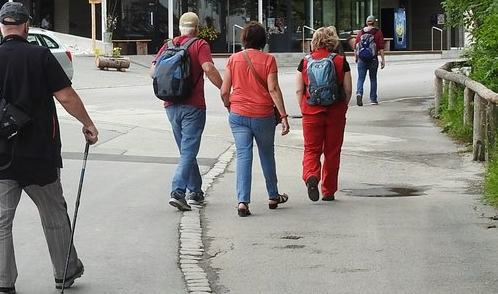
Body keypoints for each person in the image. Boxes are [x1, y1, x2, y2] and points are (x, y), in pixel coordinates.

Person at [0, 2, 98, 294]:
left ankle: (1, 282)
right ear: (27, 27)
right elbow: (65, 96)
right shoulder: (41, 56)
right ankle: (64, 272)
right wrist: (87, 124)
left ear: (0, 27)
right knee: (53, 212)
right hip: (38, 149)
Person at [150, 11, 223, 211]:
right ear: (197, 29)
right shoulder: (200, 45)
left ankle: (196, 192)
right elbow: (208, 68)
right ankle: (178, 192)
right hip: (193, 105)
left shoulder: (169, 45)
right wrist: (225, 89)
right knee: (189, 151)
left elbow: (153, 72)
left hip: (170, 104)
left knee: (186, 151)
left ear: (180, 29)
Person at [220, 22, 291, 217]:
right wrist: (283, 116)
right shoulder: (268, 60)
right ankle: (273, 195)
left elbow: (224, 91)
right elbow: (273, 89)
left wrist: (230, 106)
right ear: (263, 40)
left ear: (244, 39)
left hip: (238, 114)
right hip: (263, 116)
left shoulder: (233, 59)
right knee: (267, 155)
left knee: (244, 156)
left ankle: (243, 201)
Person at [295, 26, 353, 202]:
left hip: (311, 112)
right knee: (332, 151)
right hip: (335, 112)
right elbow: (348, 89)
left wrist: (304, 108)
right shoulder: (341, 61)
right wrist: (344, 106)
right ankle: (328, 190)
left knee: (311, 149)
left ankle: (311, 175)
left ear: (315, 41)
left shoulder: (305, 62)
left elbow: (299, 90)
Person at [351, 15, 387, 106]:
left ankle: (359, 93)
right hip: (373, 59)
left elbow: (356, 46)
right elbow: (381, 47)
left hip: (362, 59)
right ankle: (373, 99)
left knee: (360, 78)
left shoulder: (360, 32)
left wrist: (356, 57)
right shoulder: (378, 32)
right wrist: (383, 60)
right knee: (373, 79)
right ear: (374, 22)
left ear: (366, 22)